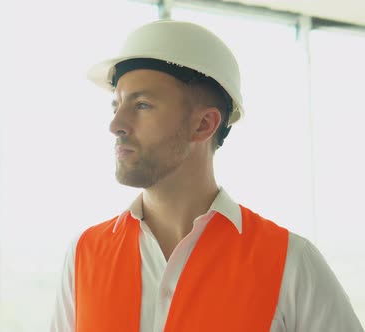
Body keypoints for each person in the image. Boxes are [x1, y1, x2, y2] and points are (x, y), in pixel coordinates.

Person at [50, 20, 363, 332]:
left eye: (142, 105)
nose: (116, 124)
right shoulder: (83, 256)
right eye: (116, 106)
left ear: (203, 125)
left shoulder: (291, 264)